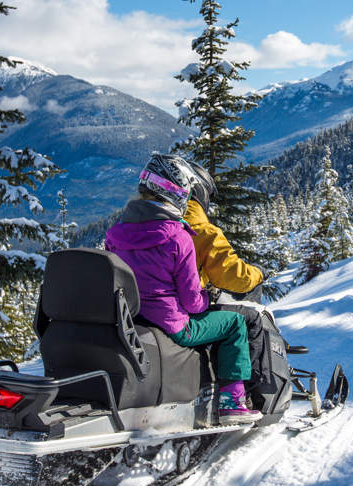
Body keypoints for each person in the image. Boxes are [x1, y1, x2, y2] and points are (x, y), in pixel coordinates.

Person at [104, 154, 261, 425]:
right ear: (179, 192)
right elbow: (191, 302)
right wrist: (207, 298)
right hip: (173, 325)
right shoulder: (179, 236)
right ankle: (232, 400)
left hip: (132, 319)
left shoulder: (115, 233)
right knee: (234, 324)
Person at [181, 158, 277, 398]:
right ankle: (248, 392)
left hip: (150, 309)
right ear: (199, 193)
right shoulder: (201, 230)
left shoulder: (157, 224)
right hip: (183, 312)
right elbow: (234, 276)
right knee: (249, 320)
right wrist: (258, 274)